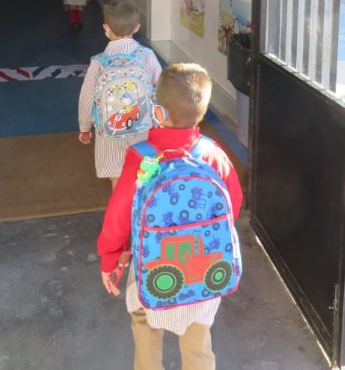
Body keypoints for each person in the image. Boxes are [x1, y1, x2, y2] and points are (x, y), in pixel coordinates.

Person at [97, 63, 243, 370]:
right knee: (198, 347)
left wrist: (111, 257)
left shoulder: (141, 156)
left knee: (145, 329)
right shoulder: (214, 154)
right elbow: (233, 205)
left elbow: (118, 217)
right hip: (201, 284)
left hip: (151, 271)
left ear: (159, 113)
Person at [78, 0, 161, 189]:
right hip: (143, 128)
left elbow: (87, 97)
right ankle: (141, 210)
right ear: (137, 27)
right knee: (144, 173)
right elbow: (161, 87)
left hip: (109, 131)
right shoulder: (146, 55)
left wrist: (84, 126)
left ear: (105, 28)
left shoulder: (99, 62)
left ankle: (121, 210)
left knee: (116, 174)